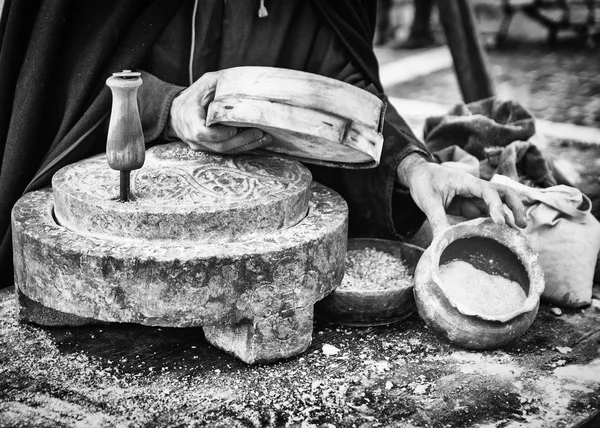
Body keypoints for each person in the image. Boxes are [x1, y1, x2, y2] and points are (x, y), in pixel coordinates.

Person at [0, 0, 526, 288]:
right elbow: (62, 78)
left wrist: (415, 167)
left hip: (264, 223)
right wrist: (169, 108)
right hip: (129, 211)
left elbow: (341, 94)